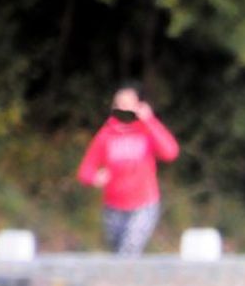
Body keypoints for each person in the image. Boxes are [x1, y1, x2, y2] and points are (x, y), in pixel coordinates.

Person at [76, 82, 179, 257]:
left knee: (129, 251)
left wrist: (149, 120)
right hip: (114, 206)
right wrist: (94, 177)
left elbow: (170, 152)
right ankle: (124, 283)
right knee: (118, 253)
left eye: (129, 104)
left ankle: (126, 283)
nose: (125, 108)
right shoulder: (106, 135)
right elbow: (85, 170)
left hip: (144, 203)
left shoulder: (147, 130)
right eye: (120, 104)